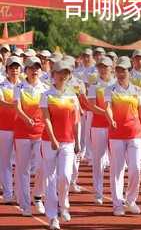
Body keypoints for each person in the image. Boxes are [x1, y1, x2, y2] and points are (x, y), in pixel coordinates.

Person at [39, 61, 81, 230]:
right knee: (50, 178)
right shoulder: (46, 95)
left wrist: (78, 142)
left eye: (65, 73)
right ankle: (52, 216)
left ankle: (63, 205)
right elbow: (46, 118)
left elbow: (76, 121)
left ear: (69, 75)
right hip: (49, 141)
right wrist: (53, 139)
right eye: (59, 72)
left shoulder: (73, 96)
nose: (62, 75)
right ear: (53, 75)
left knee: (64, 176)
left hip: (68, 141)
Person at [106, 57, 141, 216]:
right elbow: (107, 107)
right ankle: (117, 204)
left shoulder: (138, 90)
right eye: (119, 70)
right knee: (117, 169)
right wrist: (111, 119)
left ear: (130, 71)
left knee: (136, 168)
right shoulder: (111, 90)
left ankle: (130, 200)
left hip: (135, 133)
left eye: (124, 70)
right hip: (116, 135)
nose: (121, 73)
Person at [14, 56, 48, 216]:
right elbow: (17, 108)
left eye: (37, 68)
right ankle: (25, 204)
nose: (34, 70)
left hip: (41, 132)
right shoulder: (19, 87)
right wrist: (26, 119)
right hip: (22, 133)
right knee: (23, 169)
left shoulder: (45, 88)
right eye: (31, 68)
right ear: (25, 70)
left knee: (42, 167)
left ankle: (38, 197)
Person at [86, 56, 115, 204]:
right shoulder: (94, 86)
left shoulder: (117, 85)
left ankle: (116, 192)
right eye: (101, 67)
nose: (103, 69)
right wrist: (106, 113)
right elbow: (91, 106)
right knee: (98, 160)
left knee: (116, 161)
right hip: (98, 127)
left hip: (115, 128)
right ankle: (98, 192)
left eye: (106, 67)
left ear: (112, 68)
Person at [0, 56, 23, 204]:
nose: (14, 70)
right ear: (7, 70)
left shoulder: (24, 86)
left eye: (17, 68)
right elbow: (1, 102)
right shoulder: (2, 85)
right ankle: (8, 192)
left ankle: (20, 192)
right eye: (11, 68)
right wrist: (16, 106)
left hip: (22, 129)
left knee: (21, 162)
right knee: (5, 161)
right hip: (5, 128)